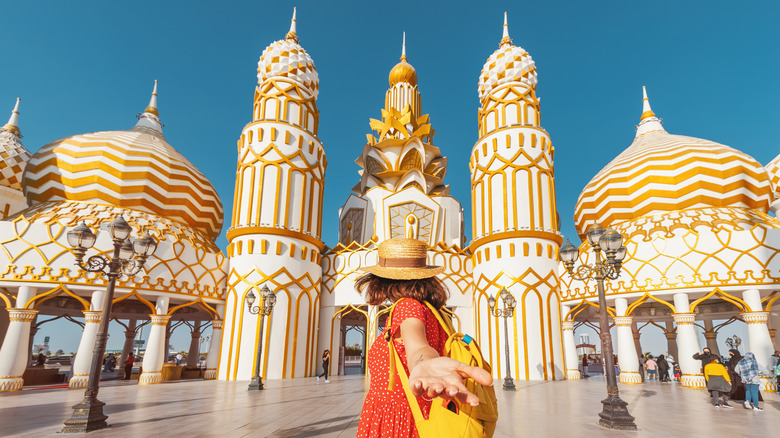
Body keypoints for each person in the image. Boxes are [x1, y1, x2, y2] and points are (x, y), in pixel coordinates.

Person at [355, 238, 493, 438]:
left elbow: (418, 347)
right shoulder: (435, 313)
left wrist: (423, 362)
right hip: (421, 414)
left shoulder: (406, 306)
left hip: (397, 418)